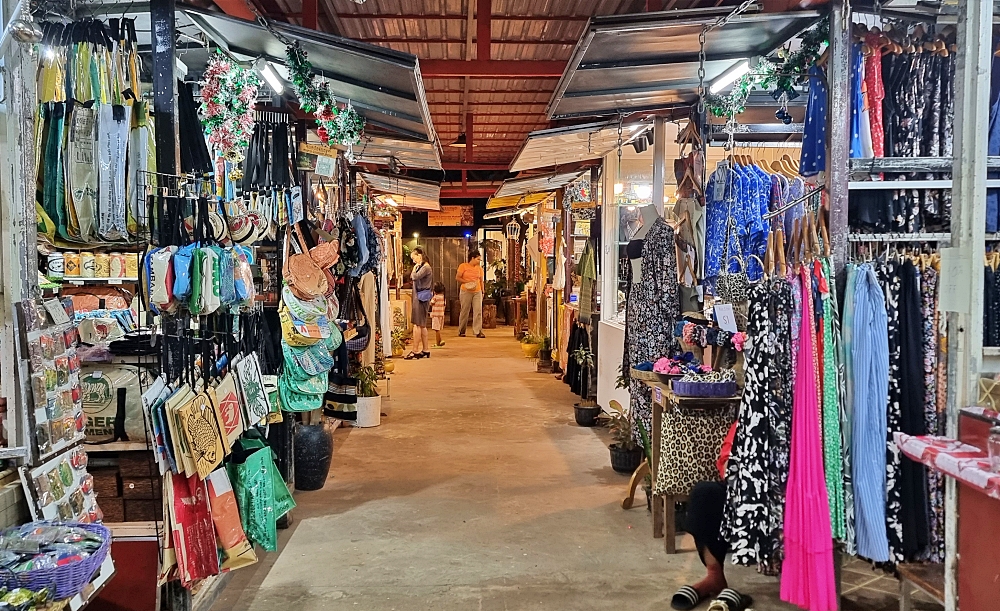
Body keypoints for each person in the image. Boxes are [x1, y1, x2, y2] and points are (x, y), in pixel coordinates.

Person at [670, 422, 753, 611]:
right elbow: (726, 459)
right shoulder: (746, 420)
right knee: (704, 494)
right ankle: (714, 576)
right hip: (744, 486)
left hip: (785, 492)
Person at [406, 248, 433, 359]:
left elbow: (414, 277)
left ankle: (415, 350)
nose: (413, 261)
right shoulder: (423, 267)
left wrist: (414, 269)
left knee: (417, 324)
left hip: (420, 298)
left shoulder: (425, 267)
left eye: (414, 258)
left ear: (419, 256)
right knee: (422, 325)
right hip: (421, 297)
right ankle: (426, 349)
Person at [456, 250, 485, 338]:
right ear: (472, 258)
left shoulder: (479, 269)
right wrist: (467, 282)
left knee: (478, 311)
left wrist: (483, 291)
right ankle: (462, 330)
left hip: (477, 291)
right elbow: (457, 277)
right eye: (478, 259)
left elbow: (481, 281)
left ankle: (478, 331)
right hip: (466, 291)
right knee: (464, 310)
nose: (479, 261)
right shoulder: (463, 266)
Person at [429, 283, 447, 347]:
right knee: (438, 329)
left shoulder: (435, 297)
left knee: (436, 330)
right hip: (441, 315)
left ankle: (438, 342)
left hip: (435, 315)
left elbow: (431, 303)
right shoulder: (443, 297)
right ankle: (439, 342)